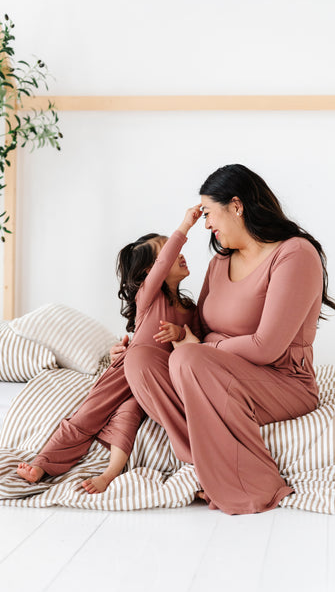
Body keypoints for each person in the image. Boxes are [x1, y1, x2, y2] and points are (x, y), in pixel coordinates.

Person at [122, 163, 335, 515]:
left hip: (280, 381)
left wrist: (203, 349)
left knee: (187, 359)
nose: (206, 223)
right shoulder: (219, 263)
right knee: (142, 359)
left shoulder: (295, 254)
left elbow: (266, 346)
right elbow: (198, 325)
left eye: (208, 212)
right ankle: (203, 458)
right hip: (211, 372)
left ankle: (241, 480)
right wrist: (141, 338)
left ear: (236, 206)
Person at [16, 204, 202, 493]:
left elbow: (195, 344)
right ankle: (46, 462)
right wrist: (184, 227)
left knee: (130, 412)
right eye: (166, 252)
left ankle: (111, 473)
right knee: (90, 415)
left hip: (157, 377)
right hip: (128, 371)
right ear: (151, 271)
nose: (177, 254)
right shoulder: (148, 296)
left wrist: (180, 333)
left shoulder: (191, 308)